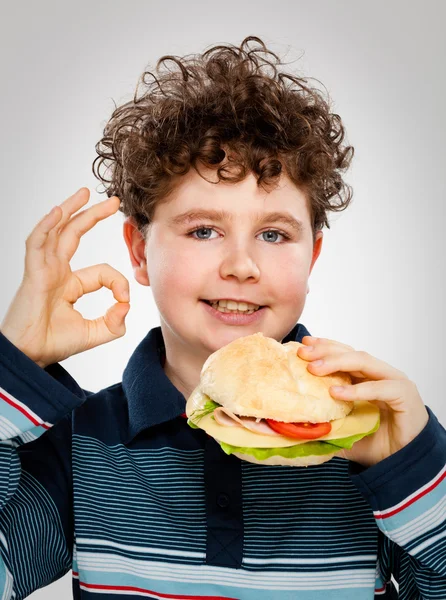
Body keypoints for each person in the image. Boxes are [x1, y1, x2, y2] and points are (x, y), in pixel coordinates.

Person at [0, 36, 444, 600]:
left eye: (273, 233)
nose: (241, 266)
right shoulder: (82, 444)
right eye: (203, 230)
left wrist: (417, 468)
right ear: (138, 251)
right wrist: (11, 369)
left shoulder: (374, 438)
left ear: (312, 256)